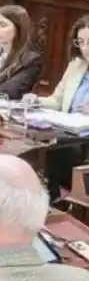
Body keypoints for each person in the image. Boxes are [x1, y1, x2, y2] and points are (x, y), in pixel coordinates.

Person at [37, 15, 89, 201]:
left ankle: (55, 202)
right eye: (80, 42)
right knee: (37, 146)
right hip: (68, 133)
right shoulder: (76, 66)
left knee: (50, 152)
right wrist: (34, 101)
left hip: (84, 142)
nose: (84, 48)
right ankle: (52, 200)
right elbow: (57, 101)